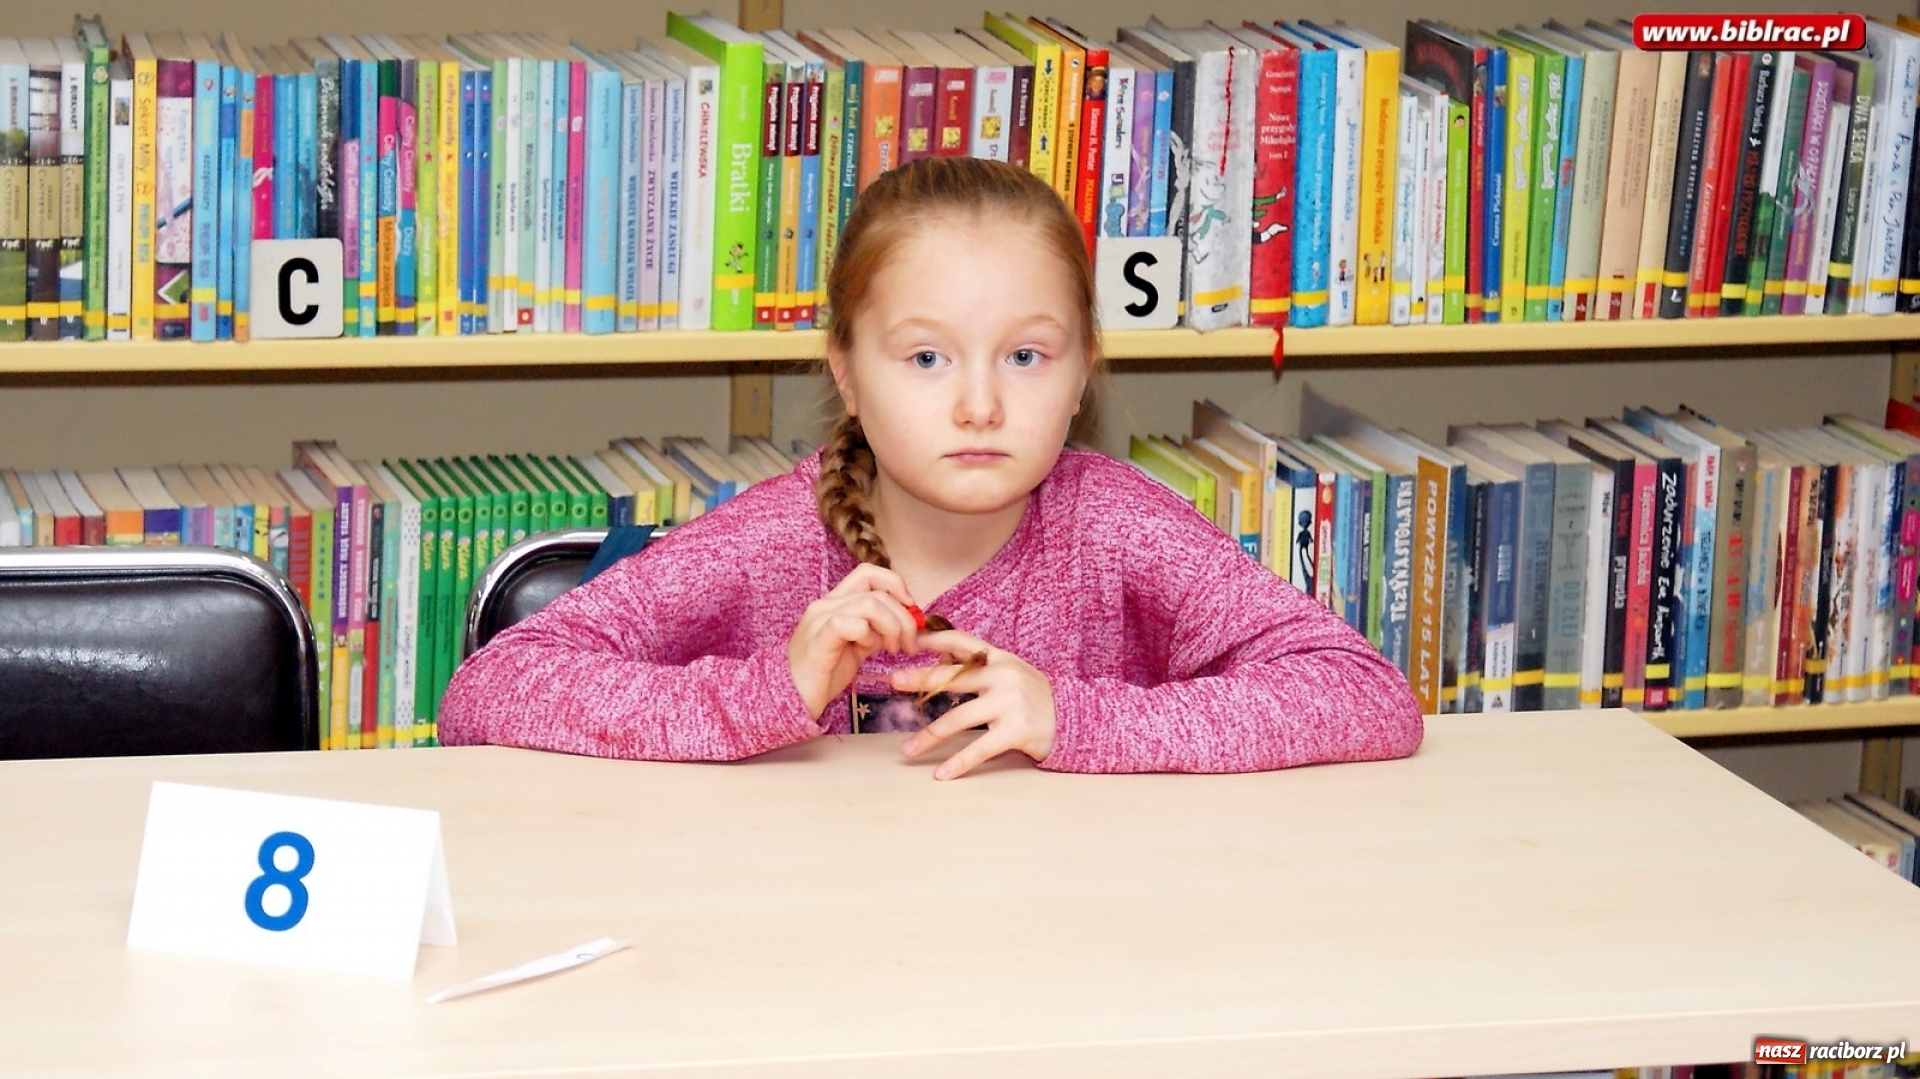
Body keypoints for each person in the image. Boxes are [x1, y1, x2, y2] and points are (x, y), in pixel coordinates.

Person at [438, 156, 1423, 780]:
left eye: (1027, 356)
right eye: (925, 358)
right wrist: (769, 691)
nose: (981, 403)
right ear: (847, 378)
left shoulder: (1116, 523)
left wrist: (1071, 715)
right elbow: (489, 690)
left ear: (1083, 372)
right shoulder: (773, 539)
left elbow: (1366, 693)